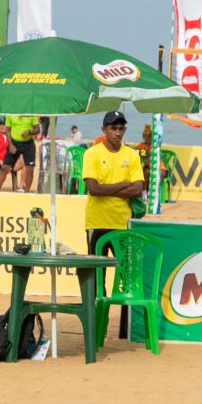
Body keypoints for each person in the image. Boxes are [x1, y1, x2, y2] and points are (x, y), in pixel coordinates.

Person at [83, 111, 145, 339]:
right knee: (96, 277)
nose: (118, 133)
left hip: (123, 224)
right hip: (97, 223)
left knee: (126, 278)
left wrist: (108, 189)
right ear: (104, 130)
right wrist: (121, 185)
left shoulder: (132, 155)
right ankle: (94, 324)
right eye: (113, 128)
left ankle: (124, 331)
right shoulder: (92, 154)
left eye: (121, 129)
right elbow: (93, 189)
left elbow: (138, 189)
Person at [0, 115, 40, 192]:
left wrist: (30, 131)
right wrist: (10, 144)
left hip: (28, 144)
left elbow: (37, 129)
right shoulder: (11, 112)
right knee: (5, 168)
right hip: (14, 143)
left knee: (30, 169)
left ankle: (27, 192)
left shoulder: (31, 113)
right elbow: (8, 130)